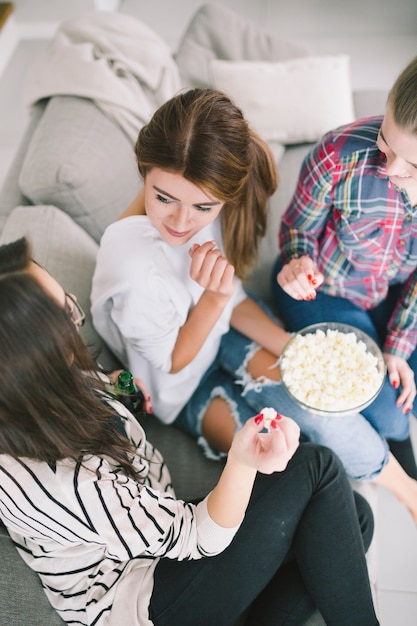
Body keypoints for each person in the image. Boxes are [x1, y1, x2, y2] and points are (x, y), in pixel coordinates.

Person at [0, 237, 378, 626]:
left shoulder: (27, 390)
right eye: (67, 314)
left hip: (151, 527)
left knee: (355, 517)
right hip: (141, 598)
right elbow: (197, 536)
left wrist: (115, 387)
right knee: (317, 468)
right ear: (37, 362)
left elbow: (89, 391)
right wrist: (242, 461)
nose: (76, 314)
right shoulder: (68, 479)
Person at [91, 87, 417, 524]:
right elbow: (171, 362)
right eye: (162, 197)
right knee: (291, 445)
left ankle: (403, 481)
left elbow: (235, 301)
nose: (181, 223)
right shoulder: (133, 266)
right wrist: (215, 297)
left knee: (315, 393)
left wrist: (292, 347)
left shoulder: (203, 194)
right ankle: (402, 487)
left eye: (203, 207)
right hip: (183, 388)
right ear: (143, 170)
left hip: (228, 330)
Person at [271, 55, 417, 487]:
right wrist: (298, 262)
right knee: (392, 415)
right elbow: (298, 228)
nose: (390, 170)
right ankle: (397, 445)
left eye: (413, 167)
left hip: (394, 293)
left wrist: (398, 342)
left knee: (401, 385)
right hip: (329, 289)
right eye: (387, 144)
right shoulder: (338, 154)